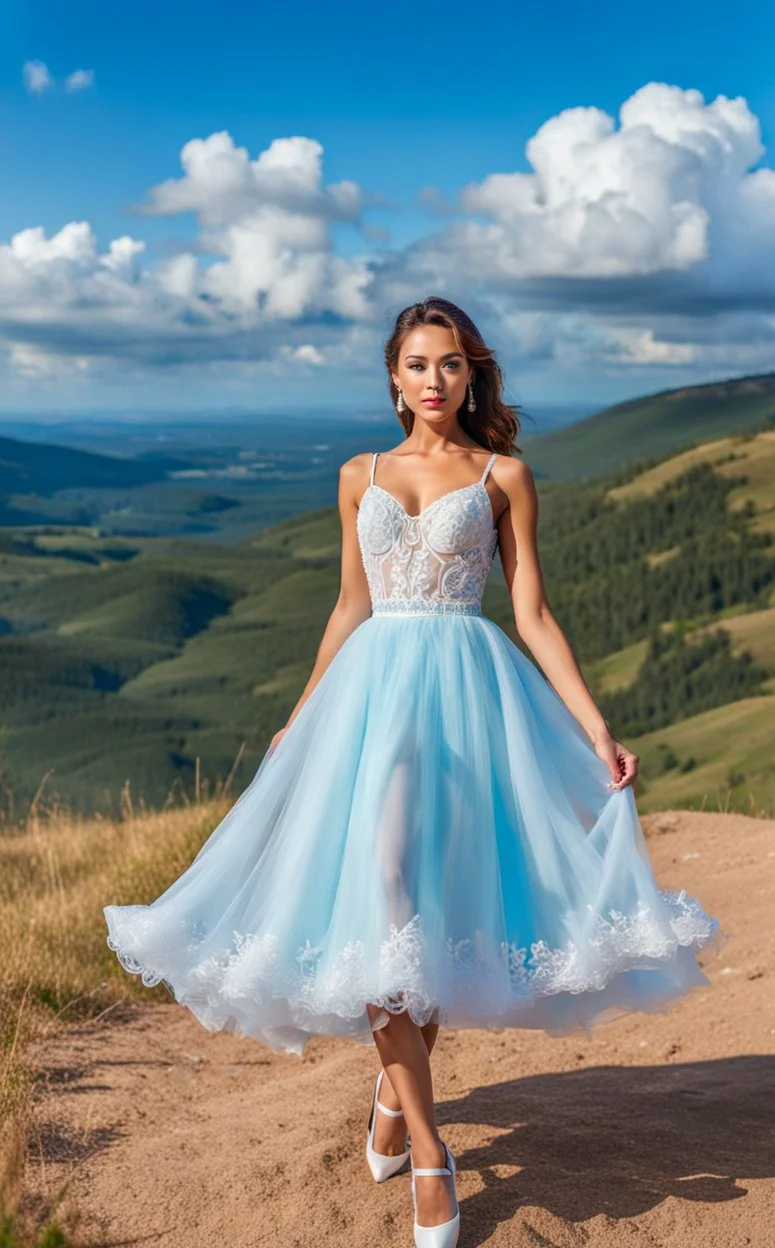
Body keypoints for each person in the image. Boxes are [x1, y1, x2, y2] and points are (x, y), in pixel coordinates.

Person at [104, 296, 725, 1248]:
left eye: (451, 364)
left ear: (471, 375)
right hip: (370, 706)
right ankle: (430, 1150)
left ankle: (393, 1094)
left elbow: (534, 615)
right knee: (387, 885)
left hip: (472, 706)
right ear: (392, 379)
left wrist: (597, 729)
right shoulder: (359, 475)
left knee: (427, 911)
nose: (434, 380)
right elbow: (349, 609)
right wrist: (301, 715)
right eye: (418, 364)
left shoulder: (503, 474)